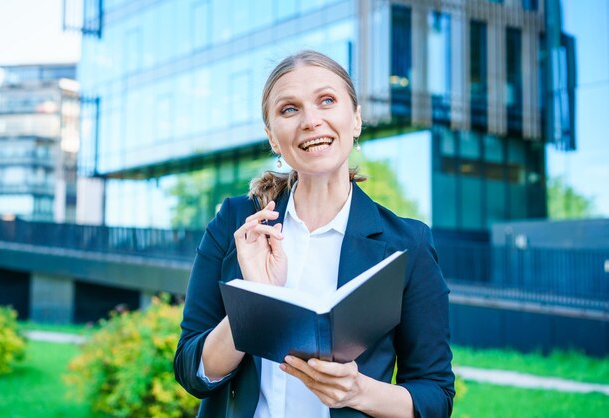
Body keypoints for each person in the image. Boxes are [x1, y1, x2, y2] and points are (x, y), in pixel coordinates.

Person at [174, 50, 455, 418]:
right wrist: (254, 302)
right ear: (273, 137)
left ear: (355, 119)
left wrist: (357, 391)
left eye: (327, 101)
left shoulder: (408, 245)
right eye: (289, 109)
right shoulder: (235, 223)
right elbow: (191, 372)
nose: (311, 121)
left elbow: (435, 396)